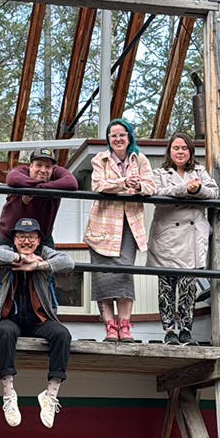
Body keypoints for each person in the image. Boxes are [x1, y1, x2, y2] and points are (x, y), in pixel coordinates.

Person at [0, 217, 75, 429]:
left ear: (39, 240)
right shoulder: (6, 252)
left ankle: (50, 394)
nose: (27, 241)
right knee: (5, 333)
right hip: (9, 319)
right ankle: (9, 394)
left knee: (63, 335)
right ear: (14, 239)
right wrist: (19, 258)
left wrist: (38, 265)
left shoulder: (44, 253)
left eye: (32, 237)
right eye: (22, 237)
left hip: (39, 320)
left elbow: (68, 262)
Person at [84, 118, 155, 343]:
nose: (117, 139)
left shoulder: (140, 159)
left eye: (121, 134)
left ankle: (125, 326)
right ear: (108, 139)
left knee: (124, 272)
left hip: (128, 225)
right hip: (102, 225)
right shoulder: (100, 159)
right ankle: (109, 326)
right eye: (113, 135)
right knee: (103, 276)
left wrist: (139, 186)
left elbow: (151, 186)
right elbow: (99, 185)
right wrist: (125, 182)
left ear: (129, 136)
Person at [148, 132, 219, 345]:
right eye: (176, 148)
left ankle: (186, 329)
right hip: (167, 235)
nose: (180, 152)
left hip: (192, 236)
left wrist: (196, 190)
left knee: (188, 285)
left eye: (184, 148)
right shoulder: (159, 172)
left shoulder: (200, 171)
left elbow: (214, 193)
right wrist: (184, 190)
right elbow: (156, 195)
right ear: (169, 151)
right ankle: (169, 330)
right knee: (167, 285)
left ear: (190, 152)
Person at [0, 148, 77, 248]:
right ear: (30, 166)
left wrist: (37, 189)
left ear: (53, 169)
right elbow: (12, 178)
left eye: (48, 167)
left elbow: (72, 183)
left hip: (42, 238)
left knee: (52, 262)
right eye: (39, 165)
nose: (43, 170)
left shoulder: (57, 173)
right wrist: (44, 188)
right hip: (10, 236)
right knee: (7, 261)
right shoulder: (21, 171)